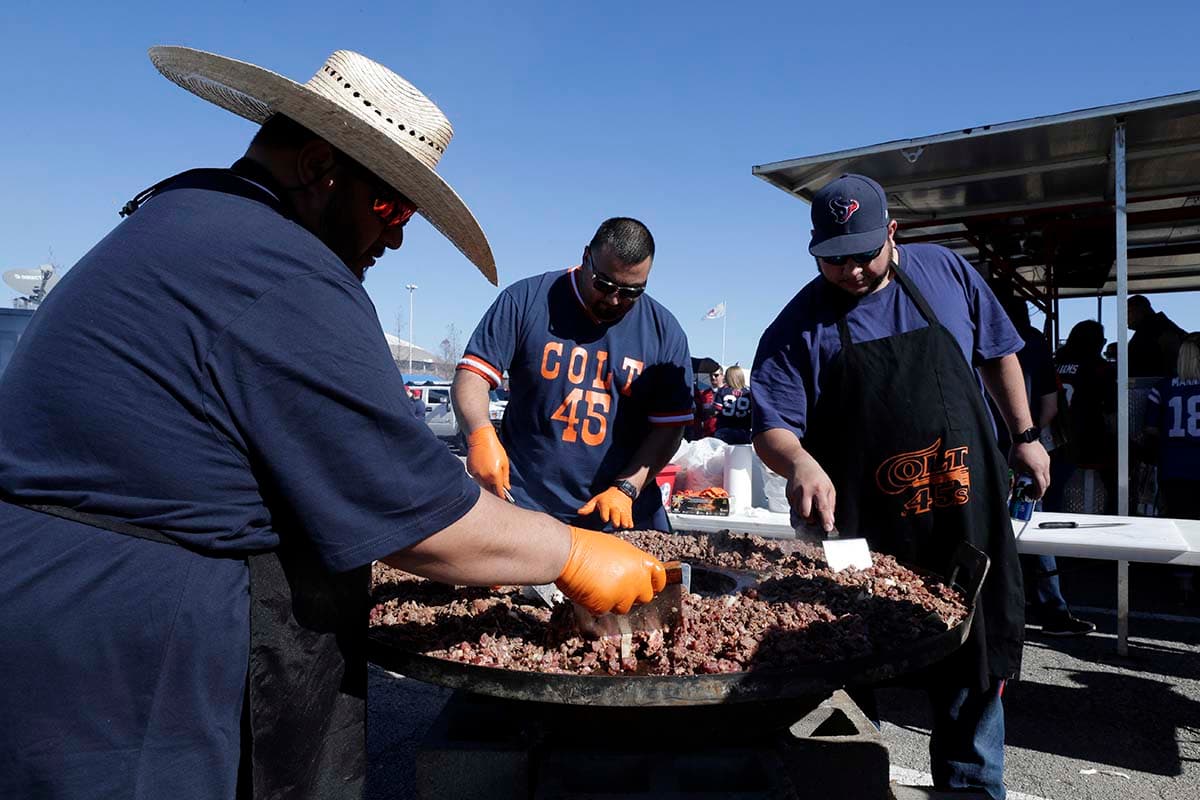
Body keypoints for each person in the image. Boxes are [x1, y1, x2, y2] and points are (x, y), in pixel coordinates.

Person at [0, 48, 669, 800]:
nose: (397, 238)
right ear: (320, 165)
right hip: (125, 657)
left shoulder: (190, 221)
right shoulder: (280, 269)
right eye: (391, 208)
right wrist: (571, 552)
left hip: (60, 609)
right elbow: (419, 519)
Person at [752, 174, 1049, 800]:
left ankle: (969, 789)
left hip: (961, 519)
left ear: (894, 232)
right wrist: (800, 463)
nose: (851, 271)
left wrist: (1023, 434)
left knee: (973, 663)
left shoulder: (944, 272)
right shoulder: (798, 325)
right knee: (844, 669)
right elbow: (772, 427)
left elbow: (999, 353)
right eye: (834, 259)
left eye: (863, 255)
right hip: (860, 536)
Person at [452, 218, 693, 533]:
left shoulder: (664, 332)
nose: (614, 299)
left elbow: (669, 429)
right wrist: (480, 435)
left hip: (619, 513)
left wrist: (627, 488)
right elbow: (471, 378)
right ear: (585, 258)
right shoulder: (527, 300)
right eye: (605, 285)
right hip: (527, 508)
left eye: (631, 291)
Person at [994, 294, 1095, 636]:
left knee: (990, 530)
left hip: (982, 447)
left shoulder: (974, 333)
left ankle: (995, 611)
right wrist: (1028, 438)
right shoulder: (1033, 341)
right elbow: (1050, 406)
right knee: (1033, 527)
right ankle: (1052, 610)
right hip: (1026, 448)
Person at [1144, 332, 1200, 603]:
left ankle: (1184, 581)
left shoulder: (1162, 388)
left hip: (1174, 464)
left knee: (1181, 522)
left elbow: (1151, 428)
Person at [1052, 320, 1118, 514]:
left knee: (1055, 489)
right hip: (1089, 437)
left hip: (1056, 436)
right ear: (1097, 343)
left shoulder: (1055, 364)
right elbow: (1112, 406)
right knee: (1116, 478)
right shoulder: (1100, 368)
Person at [1128, 294, 1186, 378]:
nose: (1126, 318)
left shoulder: (1158, 330)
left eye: (1128, 312)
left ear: (1141, 309)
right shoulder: (1159, 327)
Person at [713, 364, 753, 445]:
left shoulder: (722, 391)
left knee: (722, 456)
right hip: (743, 431)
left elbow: (716, 411)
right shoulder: (749, 393)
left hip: (724, 429)